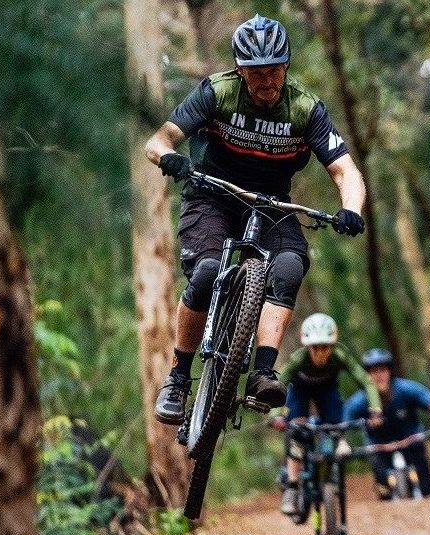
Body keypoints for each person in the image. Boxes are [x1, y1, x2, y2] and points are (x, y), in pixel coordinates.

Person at [144, 14, 367, 425]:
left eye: (274, 71)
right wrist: (170, 157)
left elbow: (344, 170)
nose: (267, 82)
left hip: (271, 204)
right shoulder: (216, 93)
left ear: (287, 66)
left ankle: (263, 372)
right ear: (240, 71)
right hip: (211, 196)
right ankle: (177, 378)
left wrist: (351, 208)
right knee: (208, 272)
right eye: (256, 73)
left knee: (288, 266)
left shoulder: (304, 108)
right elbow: (159, 139)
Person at [271, 313, 383, 516]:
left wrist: (375, 410)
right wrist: (277, 414)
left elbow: (365, 381)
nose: (321, 353)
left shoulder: (341, 355)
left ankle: (334, 459)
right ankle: (292, 488)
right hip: (300, 393)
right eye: (316, 348)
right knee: (297, 432)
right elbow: (277, 384)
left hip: (327, 392)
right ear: (307, 347)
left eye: (325, 347)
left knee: (337, 424)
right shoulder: (298, 359)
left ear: (333, 346)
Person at [343, 348, 430, 499]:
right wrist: (342, 443)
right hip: (379, 448)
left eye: (382, 370)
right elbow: (342, 425)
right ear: (367, 376)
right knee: (384, 490)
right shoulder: (359, 401)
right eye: (374, 371)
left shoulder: (405, 389)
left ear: (390, 371)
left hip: (412, 441)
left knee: (427, 488)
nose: (379, 376)